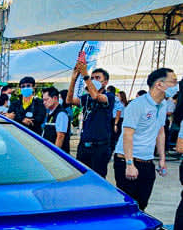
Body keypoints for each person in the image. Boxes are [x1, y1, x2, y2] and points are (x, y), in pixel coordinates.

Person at [113, 68, 178, 211]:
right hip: (128, 161)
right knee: (129, 207)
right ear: (159, 84)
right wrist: (129, 164)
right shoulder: (137, 105)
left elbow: (160, 132)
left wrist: (162, 159)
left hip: (147, 162)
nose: (176, 85)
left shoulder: (163, 105)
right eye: (173, 81)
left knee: (142, 205)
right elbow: (128, 135)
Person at [66, 65, 115, 178]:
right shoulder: (86, 98)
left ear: (105, 82)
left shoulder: (109, 96)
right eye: (92, 78)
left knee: (97, 179)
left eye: (97, 78)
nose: (93, 80)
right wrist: (73, 79)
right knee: (81, 177)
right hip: (84, 146)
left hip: (100, 148)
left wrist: (85, 75)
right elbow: (69, 100)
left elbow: (96, 96)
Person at [42, 87, 70, 153]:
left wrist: (55, 154)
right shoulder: (50, 113)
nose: (44, 102)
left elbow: (60, 136)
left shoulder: (61, 114)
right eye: (43, 100)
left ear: (55, 98)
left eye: (46, 100)